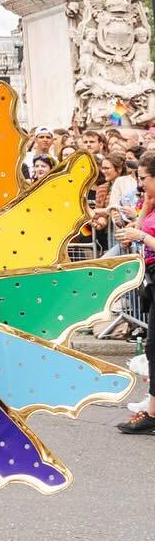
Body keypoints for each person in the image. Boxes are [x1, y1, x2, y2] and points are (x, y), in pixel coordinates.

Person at [115, 151, 155, 435]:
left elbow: (143, 235)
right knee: (153, 348)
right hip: (151, 277)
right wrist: (136, 227)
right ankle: (152, 411)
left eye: (143, 178)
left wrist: (140, 237)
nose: (139, 184)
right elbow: (139, 227)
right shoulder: (150, 202)